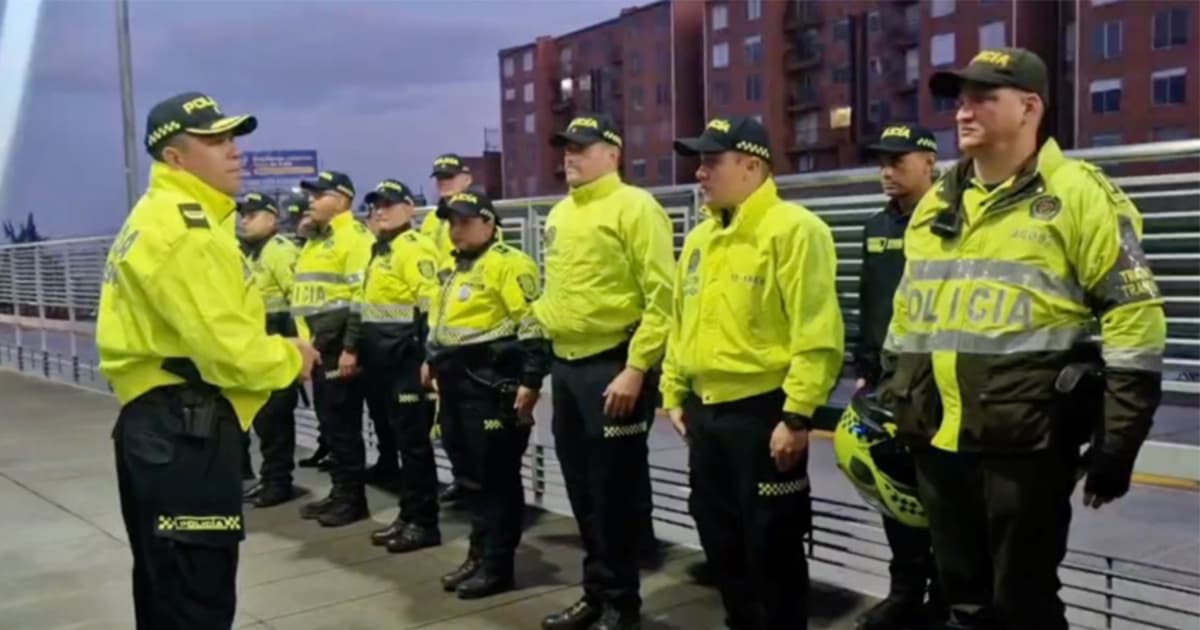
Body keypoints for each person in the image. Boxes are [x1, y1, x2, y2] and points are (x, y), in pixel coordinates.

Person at [880, 47, 1165, 630]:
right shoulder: (940, 198)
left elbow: (1135, 316)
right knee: (962, 599)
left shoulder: (1079, 192)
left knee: (1023, 603)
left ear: (1030, 107)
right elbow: (909, 311)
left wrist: (1120, 440)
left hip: (1026, 441)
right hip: (937, 435)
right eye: (960, 100)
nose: (963, 112)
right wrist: (894, 399)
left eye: (984, 98)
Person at [97, 91, 318, 629]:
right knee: (197, 599)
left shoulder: (159, 216)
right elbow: (229, 353)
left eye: (233, 137)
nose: (234, 150)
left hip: (161, 427)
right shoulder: (187, 231)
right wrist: (291, 356)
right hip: (185, 429)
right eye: (215, 140)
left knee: (166, 591)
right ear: (175, 158)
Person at [663, 116, 845, 630]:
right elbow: (683, 320)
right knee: (719, 539)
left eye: (711, 162)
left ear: (751, 165)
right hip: (707, 414)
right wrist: (676, 390)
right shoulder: (700, 239)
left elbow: (818, 331)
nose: (700, 173)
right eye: (699, 162)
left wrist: (797, 415)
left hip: (764, 414)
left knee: (772, 546)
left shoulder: (795, 230)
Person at [535, 114, 675, 630]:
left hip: (612, 367)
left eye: (582, 148)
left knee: (614, 492)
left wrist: (638, 367)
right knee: (581, 491)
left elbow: (664, 297)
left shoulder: (637, 208)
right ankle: (595, 593)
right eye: (566, 148)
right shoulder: (558, 214)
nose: (570, 157)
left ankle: (622, 604)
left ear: (612, 153)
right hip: (567, 369)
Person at [424, 191, 550, 599]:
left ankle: (498, 566)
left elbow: (532, 326)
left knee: (497, 480)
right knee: (471, 481)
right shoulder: (453, 268)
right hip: (457, 387)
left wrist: (530, 382)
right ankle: (478, 556)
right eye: (450, 222)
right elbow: (444, 324)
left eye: (463, 221)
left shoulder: (510, 265)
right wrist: (432, 358)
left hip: (492, 388)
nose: (454, 230)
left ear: (488, 223)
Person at [852, 124, 946, 629]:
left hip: (941, 380)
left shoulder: (952, 221)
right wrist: (864, 369)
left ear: (930, 162)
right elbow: (870, 302)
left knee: (944, 496)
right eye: (882, 162)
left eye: (899, 160)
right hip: (890, 380)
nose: (887, 171)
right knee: (896, 491)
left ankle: (945, 598)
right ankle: (904, 593)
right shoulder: (876, 227)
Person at [355, 179, 444, 553]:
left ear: (410, 208)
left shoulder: (414, 248)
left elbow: (431, 307)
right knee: (402, 442)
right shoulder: (381, 249)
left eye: (389, 204)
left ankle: (423, 523)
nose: (380, 210)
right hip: (386, 364)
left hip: (408, 363)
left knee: (415, 447)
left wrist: (428, 360)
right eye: (375, 205)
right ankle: (409, 516)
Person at [292, 170, 376, 527]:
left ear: (342, 200)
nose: (311, 200)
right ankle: (340, 492)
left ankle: (352, 499)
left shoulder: (353, 237)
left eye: (319, 194)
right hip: (317, 347)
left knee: (342, 426)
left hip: (338, 347)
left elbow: (361, 297)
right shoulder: (317, 240)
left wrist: (350, 347)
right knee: (330, 424)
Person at [423, 152, 486, 506]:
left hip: (470, 325)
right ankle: (463, 479)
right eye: (439, 177)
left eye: (449, 176)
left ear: (466, 177)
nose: (443, 182)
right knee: (447, 419)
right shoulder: (433, 220)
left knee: (473, 421)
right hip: (442, 316)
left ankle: (478, 484)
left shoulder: (479, 212)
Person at [237, 192, 305, 508]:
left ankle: (279, 482)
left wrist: (304, 350)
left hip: (282, 345)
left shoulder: (279, 252)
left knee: (276, 420)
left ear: (272, 219)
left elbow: (300, 299)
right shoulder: (252, 255)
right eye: (243, 214)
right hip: (263, 350)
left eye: (253, 214)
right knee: (264, 420)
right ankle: (269, 478)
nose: (244, 219)